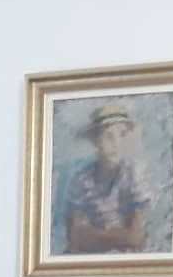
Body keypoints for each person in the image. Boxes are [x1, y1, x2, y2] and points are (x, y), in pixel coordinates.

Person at [59, 104, 147, 254]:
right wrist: (120, 235)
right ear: (96, 141)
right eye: (108, 136)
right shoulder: (81, 179)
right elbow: (75, 238)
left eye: (122, 135)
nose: (116, 144)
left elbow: (136, 238)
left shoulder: (133, 175)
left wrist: (94, 236)